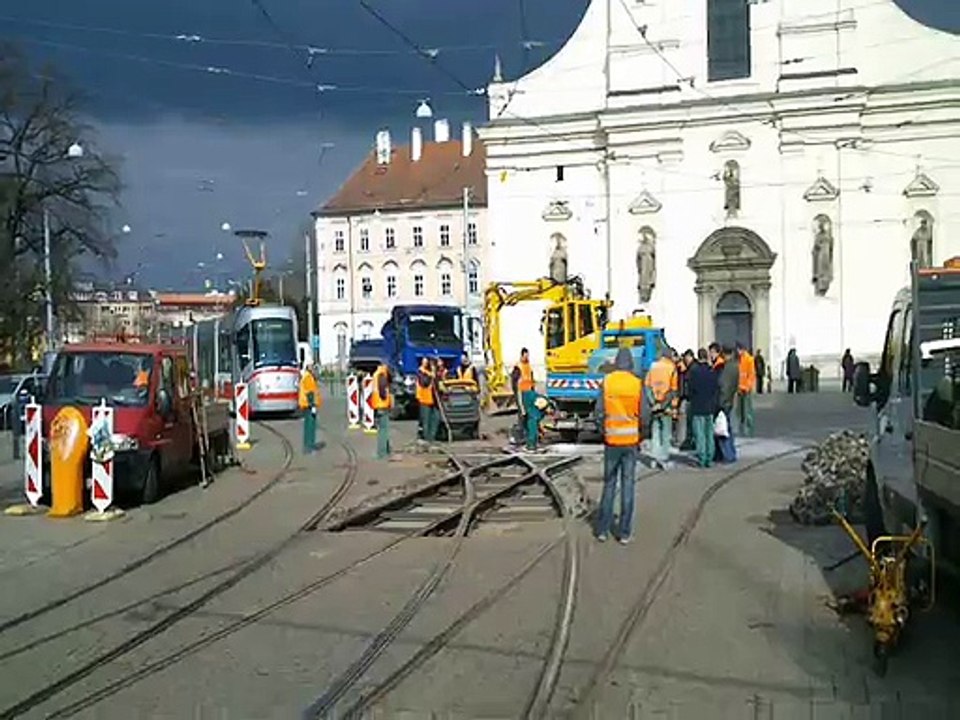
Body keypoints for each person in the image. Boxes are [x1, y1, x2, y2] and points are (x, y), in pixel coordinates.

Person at [594, 347, 642, 544]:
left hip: (612, 441)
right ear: (630, 363)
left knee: (609, 485)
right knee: (628, 486)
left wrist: (604, 430)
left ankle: (603, 530)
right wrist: (641, 434)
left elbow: (598, 412)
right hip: (631, 442)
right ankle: (624, 532)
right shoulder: (637, 384)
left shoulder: (607, 382)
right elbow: (645, 415)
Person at [644, 347, 679, 469]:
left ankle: (654, 458)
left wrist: (653, 403)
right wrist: (665, 405)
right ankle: (664, 458)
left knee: (655, 432)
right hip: (666, 405)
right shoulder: (672, 368)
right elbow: (673, 389)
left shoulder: (653, 367)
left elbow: (647, 386)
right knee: (665, 432)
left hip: (654, 405)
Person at [687, 348, 719, 468]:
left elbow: (690, 390)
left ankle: (702, 457)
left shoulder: (694, 372)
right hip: (710, 407)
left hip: (697, 406)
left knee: (699, 433)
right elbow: (716, 389)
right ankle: (709, 457)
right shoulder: (712, 372)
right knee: (709, 433)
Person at [511, 347, 538, 451]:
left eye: (528, 355)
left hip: (529, 393)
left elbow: (531, 380)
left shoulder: (529, 366)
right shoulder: (518, 367)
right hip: (521, 393)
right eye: (525, 355)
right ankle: (520, 437)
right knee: (522, 415)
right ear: (522, 355)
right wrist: (516, 395)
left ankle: (528, 437)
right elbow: (514, 381)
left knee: (530, 415)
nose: (527, 357)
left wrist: (533, 392)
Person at [716, 346, 740, 463]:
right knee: (728, 428)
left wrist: (720, 403)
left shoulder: (727, 368)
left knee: (722, 430)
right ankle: (731, 453)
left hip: (724, 403)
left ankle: (727, 455)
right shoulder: (736, 366)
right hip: (730, 401)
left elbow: (724, 386)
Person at [371, 361, 393, 459]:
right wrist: (387, 401)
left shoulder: (376, 375)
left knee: (382, 428)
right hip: (382, 405)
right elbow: (383, 391)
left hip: (377, 405)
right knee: (383, 430)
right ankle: (382, 452)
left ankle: (386, 450)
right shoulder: (382, 376)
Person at [298, 363, 320, 454]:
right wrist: (312, 405)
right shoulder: (308, 378)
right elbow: (309, 392)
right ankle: (309, 447)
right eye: (312, 367)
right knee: (310, 426)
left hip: (306, 404)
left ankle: (308, 447)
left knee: (308, 425)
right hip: (309, 405)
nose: (314, 369)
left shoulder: (307, 376)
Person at [416, 357, 438, 442]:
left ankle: (431, 437)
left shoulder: (430, 373)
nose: (424, 363)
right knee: (426, 420)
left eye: (426, 362)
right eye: (423, 362)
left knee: (434, 419)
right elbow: (424, 383)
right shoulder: (421, 372)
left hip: (432, 399)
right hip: (424, 399)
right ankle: (427, 438)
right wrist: (431, 376)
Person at [678, 349, 697, 451]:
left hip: (689, 398)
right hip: (688, 397)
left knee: (689, 421)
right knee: (688, 421)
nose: (685, 359)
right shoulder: (688, 368)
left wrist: (683, 371)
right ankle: (688, 440)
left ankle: (689, 441)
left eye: (686, 357)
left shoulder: (691, 369)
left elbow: (686, 383)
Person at [736, 344, 756, 438]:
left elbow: (751, 375)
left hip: (746, 389)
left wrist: (747, 387)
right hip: (739, 388)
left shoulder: (749, 359)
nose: (738, 352)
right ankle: (741, 428)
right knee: (740, 410)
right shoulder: (738, 360)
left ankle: (749, 428)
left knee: (747, 409)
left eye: (739, 350)